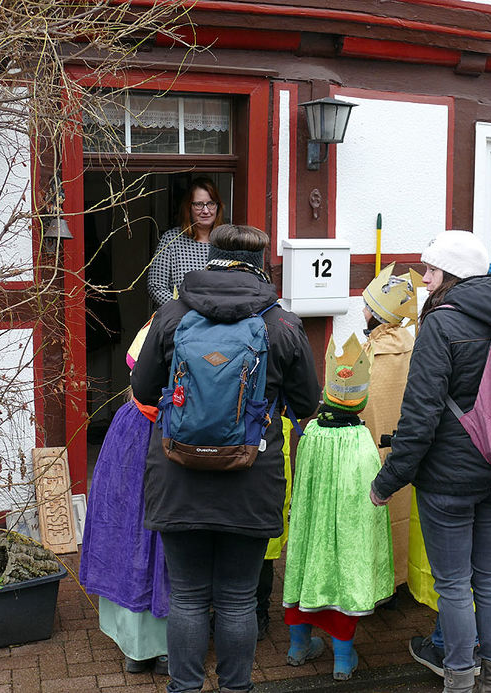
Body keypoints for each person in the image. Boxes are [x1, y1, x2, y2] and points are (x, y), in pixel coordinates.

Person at [131, 224, 320, 693]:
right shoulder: (281, 324)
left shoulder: (172, 315)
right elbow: (307, 404)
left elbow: (142, 389)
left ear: (209, 255)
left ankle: (184, 688)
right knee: (237, 600)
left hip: (178, 475)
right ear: (261, 266)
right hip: (250, 478)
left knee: (189, 599)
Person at [370, 230, 491, 693]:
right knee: (490, 578)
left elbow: (420, 414)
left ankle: (460, 682)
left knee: (453, 585)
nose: (424, 280)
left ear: (453, 274)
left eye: (431, 270)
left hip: (451, 479)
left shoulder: (443, 323)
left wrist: (389, 481)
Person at [282, 334, 394, 681]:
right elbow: (368, 490)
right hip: (346, 531)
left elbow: (303, 480)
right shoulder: (361, 438)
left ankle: (298, 648)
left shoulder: (312, 431)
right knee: (343, 582)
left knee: (303, 575)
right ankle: (342, 661)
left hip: (311, 526)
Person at [79, 319, 168, 675]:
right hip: (175, 435)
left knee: (127, 532)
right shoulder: (199, 326)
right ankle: (165, 648)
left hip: (133, 433)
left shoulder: (154, 324)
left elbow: (137, 374)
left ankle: (135, 647)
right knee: (161, 538)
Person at [359, 263, 421, 589]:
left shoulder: (370, 352)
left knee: (375, 518)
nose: (363, 311)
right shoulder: (413, 345)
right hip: (408, 451)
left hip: (372, 452)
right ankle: (401, 579)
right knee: (403, 516)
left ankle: (377, 584)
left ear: (376, 314)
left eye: (367, 306)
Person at [147, 176, 225, 308]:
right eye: (199, 204)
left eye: (211, 203)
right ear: (188, 207)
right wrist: (185, 311)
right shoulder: (171, 240)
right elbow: (156, 287)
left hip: (219, 321)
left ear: (218, 206)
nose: (206, 211)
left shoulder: (226, 242)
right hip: (181, 320)